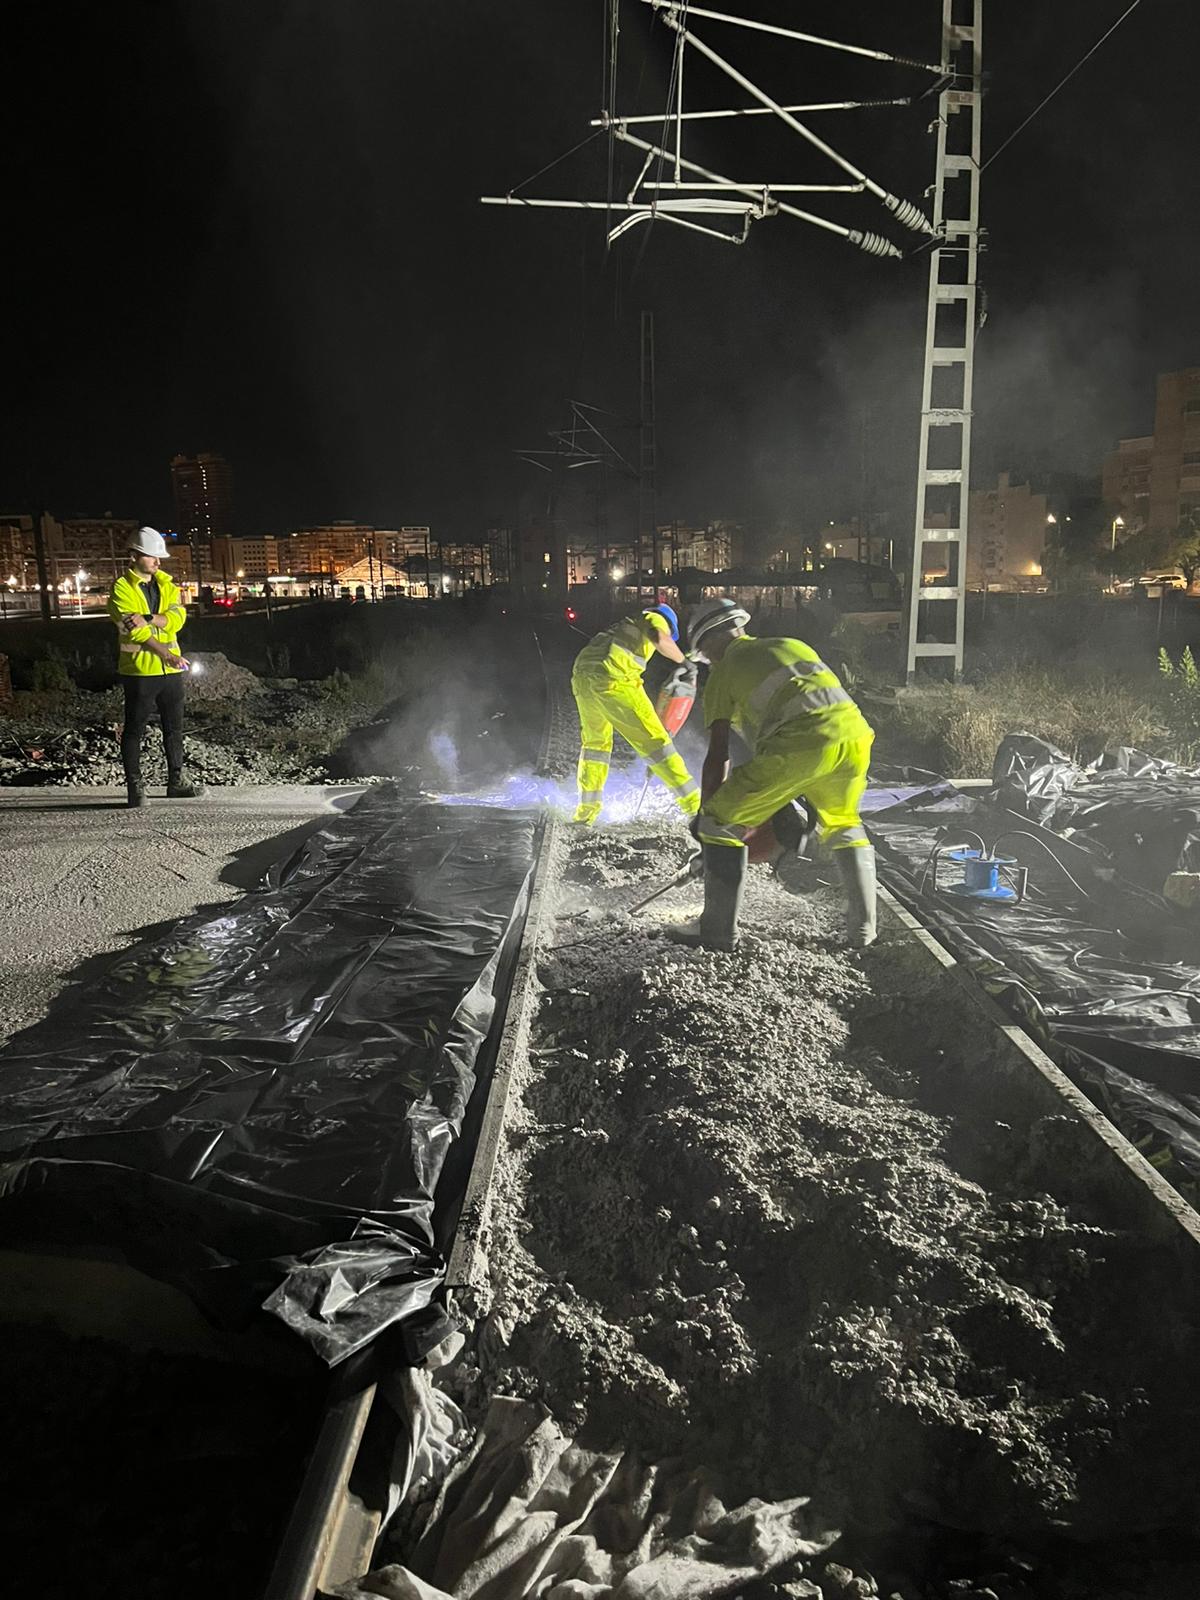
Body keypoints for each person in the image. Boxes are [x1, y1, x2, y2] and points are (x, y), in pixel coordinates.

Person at [669, 597, 876, 951]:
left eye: (705, 655)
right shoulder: (790, 644)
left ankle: (716, 930)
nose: (708, 663)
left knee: (718, 822)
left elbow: (718, 754)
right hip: (855, 739)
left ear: (709, 641)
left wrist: (708, 820)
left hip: (799, 743)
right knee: (843, 824)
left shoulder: (723, 672)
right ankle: (863, 931)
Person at [571, 602, 700, 826]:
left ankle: (585, 813)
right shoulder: (654, 618)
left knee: (595, 747)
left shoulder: (621, 626)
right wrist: (684, 662)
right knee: (658, 745)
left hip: (583, 678)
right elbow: (660, 638)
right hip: (614, 680)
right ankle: (696, 808)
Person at [107, 526, 203, 808]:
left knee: (174, 728)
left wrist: (149, 618)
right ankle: (136, 789)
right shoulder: (121, 589)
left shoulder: (167, 585)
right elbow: (132, 632)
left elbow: (177, 619)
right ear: (135, 556)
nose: (158, 562)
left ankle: (177, 781)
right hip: (140, 671)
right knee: (134, 729)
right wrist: (166, 652)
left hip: (171, 672)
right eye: (152, 556)